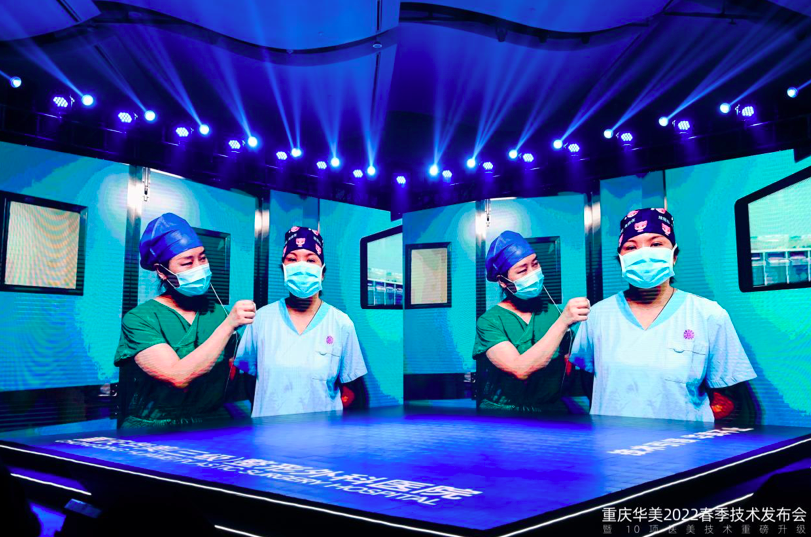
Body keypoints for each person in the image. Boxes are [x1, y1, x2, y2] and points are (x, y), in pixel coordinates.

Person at [570, 208, 757, 422]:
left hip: (684, 440)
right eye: (631, 247)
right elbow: (588, 381)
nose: (644, 253)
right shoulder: (598, 316)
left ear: (674, 256)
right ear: (620, 260)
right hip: (611, 437)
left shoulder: (708, 315)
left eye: (656, 244)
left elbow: (731, 396)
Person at [114, 213, 256, 427]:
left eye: (202, 258)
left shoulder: (218, 313)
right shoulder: (140, 319)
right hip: (156, 430)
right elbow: (177, 376)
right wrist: (228, 326)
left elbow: (233, 374)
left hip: (212, 426)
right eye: (187, 263)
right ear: (162, 272)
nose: (199, 267)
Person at [235, 226, 367, 417]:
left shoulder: (341, 323)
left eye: (311, 260)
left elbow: (355, 391)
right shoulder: (261, 320)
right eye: (292, 259)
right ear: (283, 269)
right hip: (270, 431)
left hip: (323, 432)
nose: (301, 266)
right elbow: (248, 381)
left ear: (322, 272)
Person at [472, 231, 591, 413]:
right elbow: (519, 368)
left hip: (550, 413)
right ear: (503, 281)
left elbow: (568, 368)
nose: (533, 273)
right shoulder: (489, 322)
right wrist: (562, 323)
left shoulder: (554, 313)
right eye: (522, 270)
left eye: (535, 264)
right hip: (504, 418)